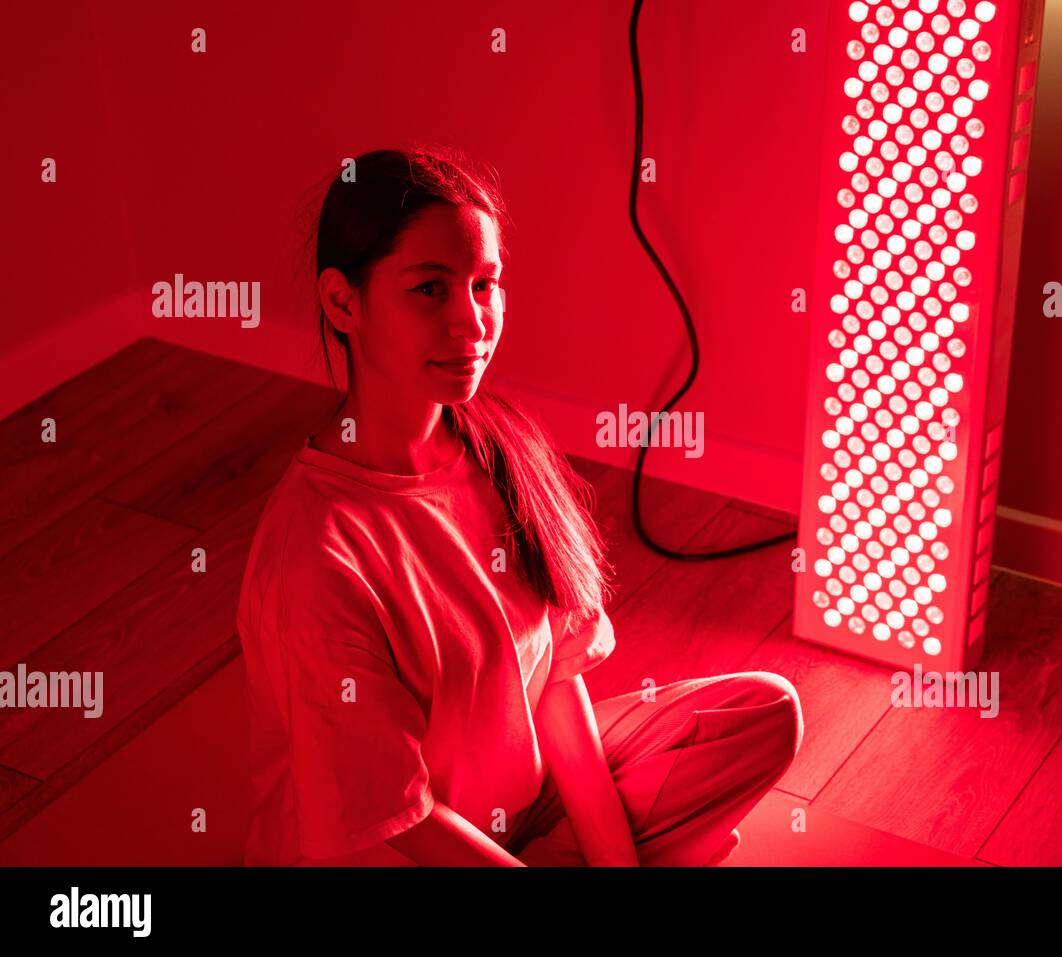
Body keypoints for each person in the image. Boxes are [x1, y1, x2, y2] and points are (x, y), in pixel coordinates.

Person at [235, 145, 804, 867]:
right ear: (343, 301)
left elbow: (557, 683)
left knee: (763, 711)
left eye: (485, 284)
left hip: (521, 813)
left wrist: (614, 863)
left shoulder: (501, 448)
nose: (472, 323)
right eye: (430, 290)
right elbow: (397, 819)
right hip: (390, 851)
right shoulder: (316, 553)